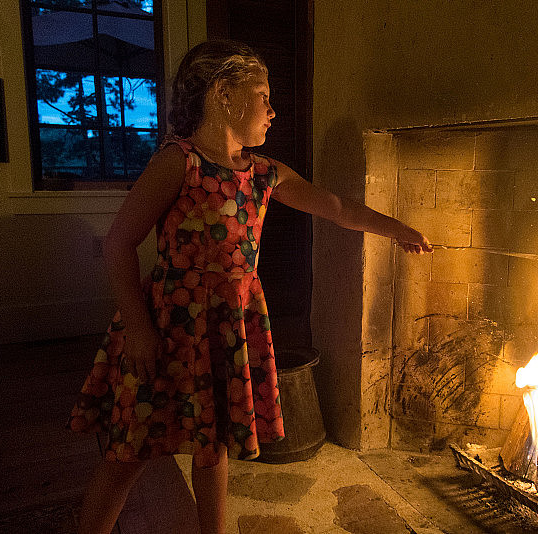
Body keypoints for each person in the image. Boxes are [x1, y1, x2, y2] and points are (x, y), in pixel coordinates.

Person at [67, 39, 432, 534]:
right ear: (223, 94)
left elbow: (337, 208)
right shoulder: (179, 162)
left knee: (213, 447)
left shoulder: (264, 174)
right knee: (127, 454)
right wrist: (138, 330)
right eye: (262, 96)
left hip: (228, 330)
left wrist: (398, 229)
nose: (272, 111)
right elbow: (118, 244)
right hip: (169, 329)